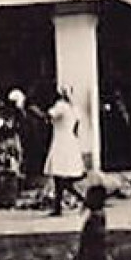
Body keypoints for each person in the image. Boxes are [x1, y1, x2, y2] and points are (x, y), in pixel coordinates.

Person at [44, 87, 87, 216]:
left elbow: (48, 116)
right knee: (62, 178)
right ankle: (59, 207)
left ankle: (80, 200)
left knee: (59, 177)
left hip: (61, 142)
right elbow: (76, 128)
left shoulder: (61, 106)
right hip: (70, 142)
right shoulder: (74, 108)